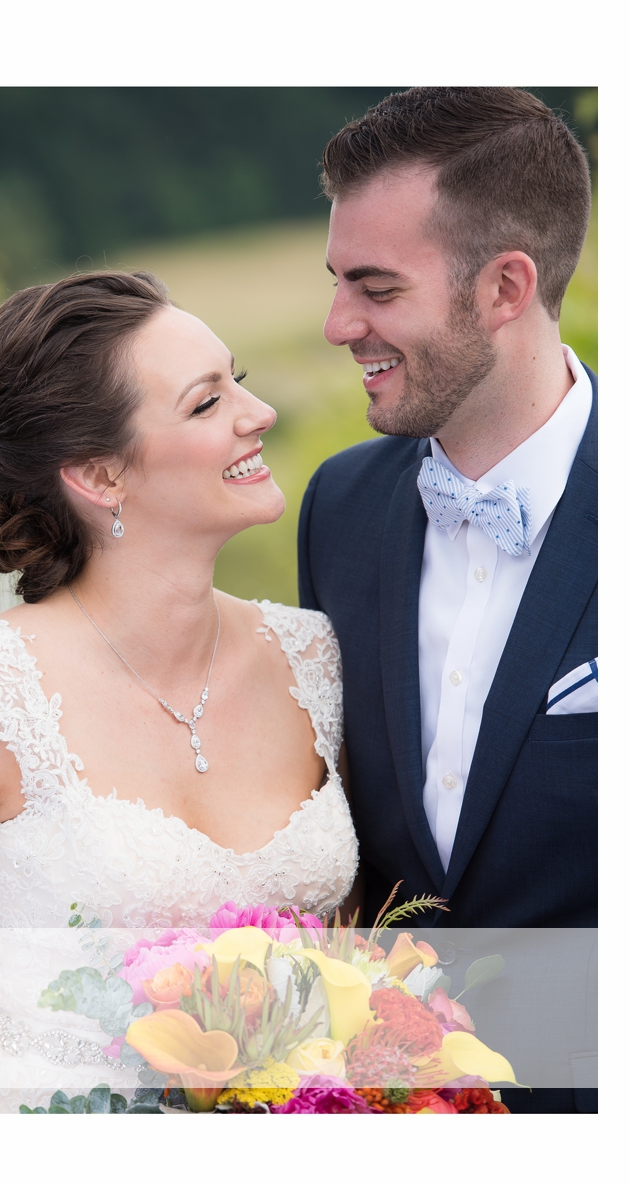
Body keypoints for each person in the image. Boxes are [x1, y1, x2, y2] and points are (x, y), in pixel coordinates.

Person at [0, 270, 357, 1113]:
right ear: (100, 477)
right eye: (206, 403)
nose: (258, 415)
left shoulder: (313, 661)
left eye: (238, 383)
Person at [301, 87, 596, 1112]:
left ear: (505, 286)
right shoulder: (337, 508)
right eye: (339, 282)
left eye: (376, 288)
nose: (341, 324)